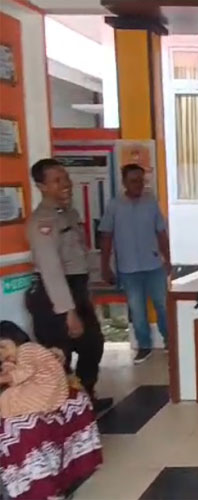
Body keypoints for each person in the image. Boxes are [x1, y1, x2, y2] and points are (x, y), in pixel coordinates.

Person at [24, 158, 113, 413]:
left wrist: (85, 295)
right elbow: (51, 270)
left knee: (93, 344)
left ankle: (84, 399)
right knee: (58, 355)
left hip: (76, 289)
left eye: (65, 178)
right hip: (54, 296)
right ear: (42, 186)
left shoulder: (69, 214)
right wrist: (68, 312)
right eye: (57, 180)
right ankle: (62, 410)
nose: (66, 184)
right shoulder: (42, 222)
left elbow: (80, 258)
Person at [99, 164, 171, 364]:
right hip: (128, 269)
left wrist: (168, 258)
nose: (138, 184)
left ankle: (171, 342)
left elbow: (161, 232)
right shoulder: (114, 206)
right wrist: (104, 266)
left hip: (154, 265)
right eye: (133, 181)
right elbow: (106, 236)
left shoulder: (151, 203)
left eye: (141, 180)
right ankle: (144, 346)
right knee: (137, 311)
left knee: (163, 306)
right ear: (124, 182)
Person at [0, 321, 68, 418]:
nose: (2, 354)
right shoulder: (22, 355)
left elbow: (23, 372)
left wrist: (4, 378)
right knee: (9, 395)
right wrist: (9, 367)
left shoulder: (26, 348)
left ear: (16, 338)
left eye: (2, 347)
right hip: (55, 396)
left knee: (8, 397)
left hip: (46, 391)